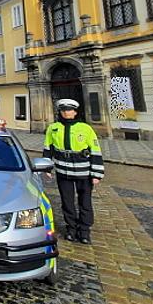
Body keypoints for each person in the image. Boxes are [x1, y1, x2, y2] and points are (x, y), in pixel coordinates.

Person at [43, 99, 104, 244]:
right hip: (63, 171)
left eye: (69, 110)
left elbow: (95, 150)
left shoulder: (85, 128)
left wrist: (97, 173)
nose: (66, 112)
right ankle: (71, 229)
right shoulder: (53, 128)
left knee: (85, 202)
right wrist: (47, 167)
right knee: (67, 201)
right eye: (63, 110)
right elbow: (48, 149)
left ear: (75, 112)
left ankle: (84, 231)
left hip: (83, 171)